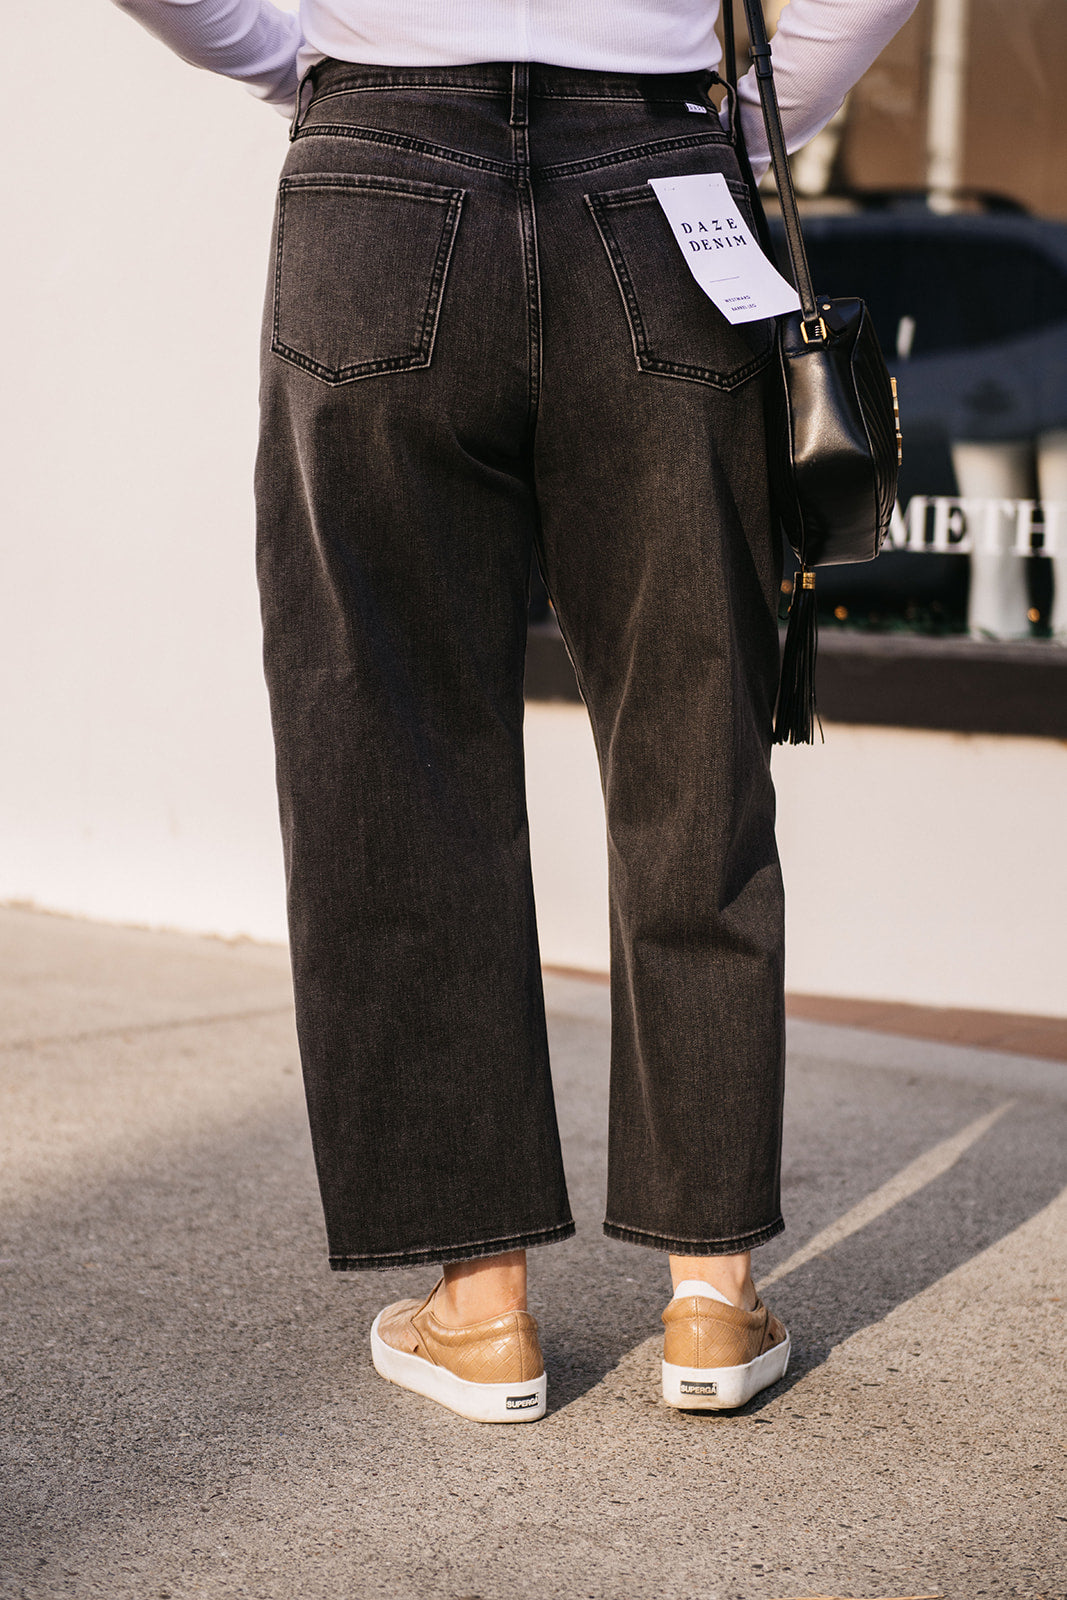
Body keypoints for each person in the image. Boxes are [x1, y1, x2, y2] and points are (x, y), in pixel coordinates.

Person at [110, 0, 918, 1422]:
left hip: (378, 174)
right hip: (660, 188)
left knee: (394, 747)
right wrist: (743, 122)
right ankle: (711, 1296)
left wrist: (292, 61)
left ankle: (482, 1316)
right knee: (692, 740)